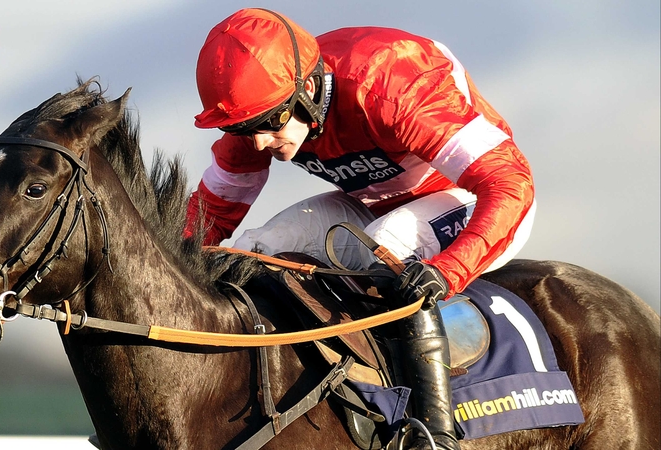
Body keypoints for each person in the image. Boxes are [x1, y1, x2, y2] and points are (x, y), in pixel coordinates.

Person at [185, 8, 536, 450]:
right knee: (253, 250)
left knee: (386, 245)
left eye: (269, 124)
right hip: (373, 204)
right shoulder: (264, 102)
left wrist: (449, 269)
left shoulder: (389, 85)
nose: (257, 143)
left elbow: (510, 185)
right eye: (242, 128)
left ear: (308, 89)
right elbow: (210, 217)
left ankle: (434, 432)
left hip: (473, 198)